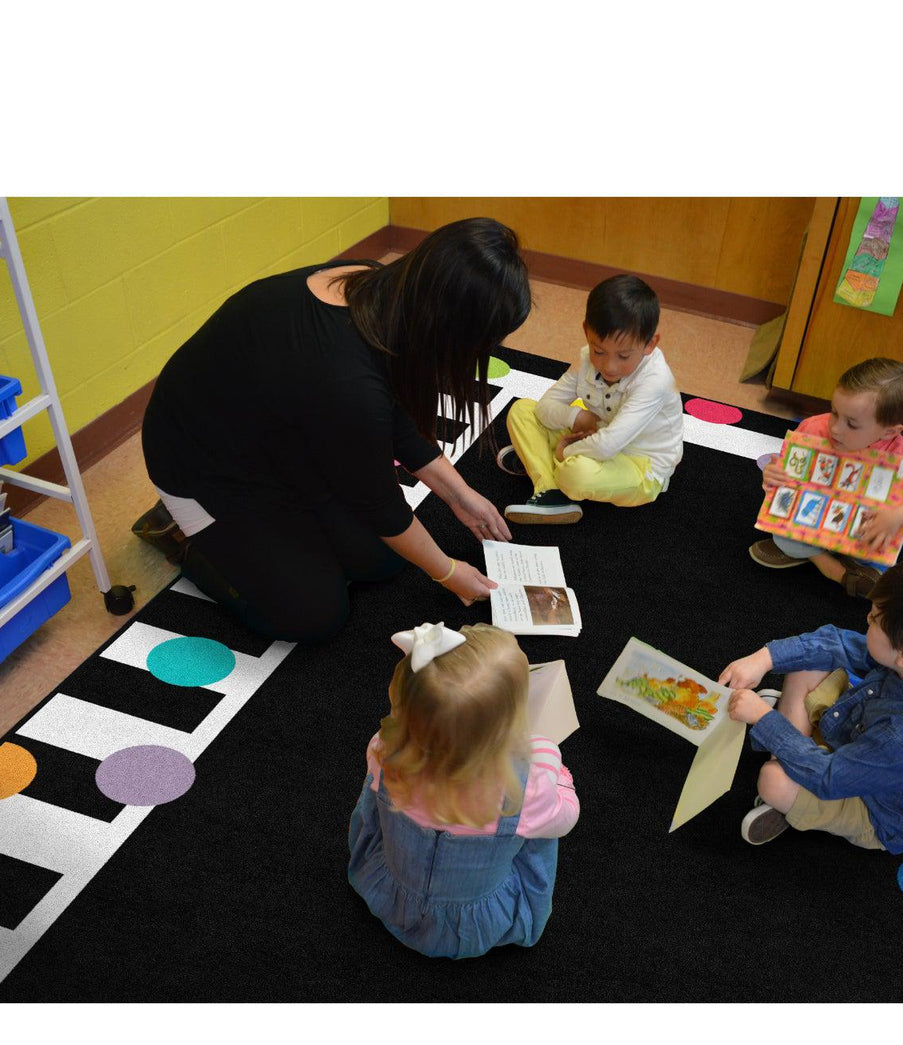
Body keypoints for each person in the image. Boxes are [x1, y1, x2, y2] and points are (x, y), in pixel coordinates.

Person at [137, 218, 532, 642]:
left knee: (383, 560)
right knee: (313, 614)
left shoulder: (373, 285)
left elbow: (391, 409)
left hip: (282, 435)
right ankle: (180, 533)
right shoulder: (346, 382)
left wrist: (460, 495)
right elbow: (379, 502)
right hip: (202, 466)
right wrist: (449, 572)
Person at [717, 559, 903, 852]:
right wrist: (764, 658)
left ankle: (788, 769)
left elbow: (830, 777)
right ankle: (790, 749)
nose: (867, 618)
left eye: (875, 619)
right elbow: (838, 644)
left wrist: (764, 719)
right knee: (809, 663)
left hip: (880, 812)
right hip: (863, 744)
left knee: (772, 781)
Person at [348, 621, 579, 959]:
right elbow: (566, 817)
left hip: (390, 894)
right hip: (472, 924)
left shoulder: (383, 750)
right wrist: (548, 755)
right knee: (540, 828)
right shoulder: (524, 790)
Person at [751, 358, 903, 598]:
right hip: (812, 519)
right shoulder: (813, 428)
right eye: (834, 412)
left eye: (851, 423)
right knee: (782, 534)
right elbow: (787, 469)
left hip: (861, 533)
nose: (835, 428)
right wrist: (773, 473)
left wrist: (898, 516)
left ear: (889, 431)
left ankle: (824, 558)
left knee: (875, 553)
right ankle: (832, 569)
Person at [499, 274, 683, 524]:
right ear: (586, 331)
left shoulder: (655, 381)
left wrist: (566, 452)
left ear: (650, 344)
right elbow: (545, 407)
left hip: (641, 465)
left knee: (576, 475)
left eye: (624, 356)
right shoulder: (586, 357)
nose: (609, 366)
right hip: (597, 435)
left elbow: (608, 446)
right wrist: (577, 416)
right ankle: (550, 489)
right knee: (522, 410)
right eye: (599, 351)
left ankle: (545, 464)